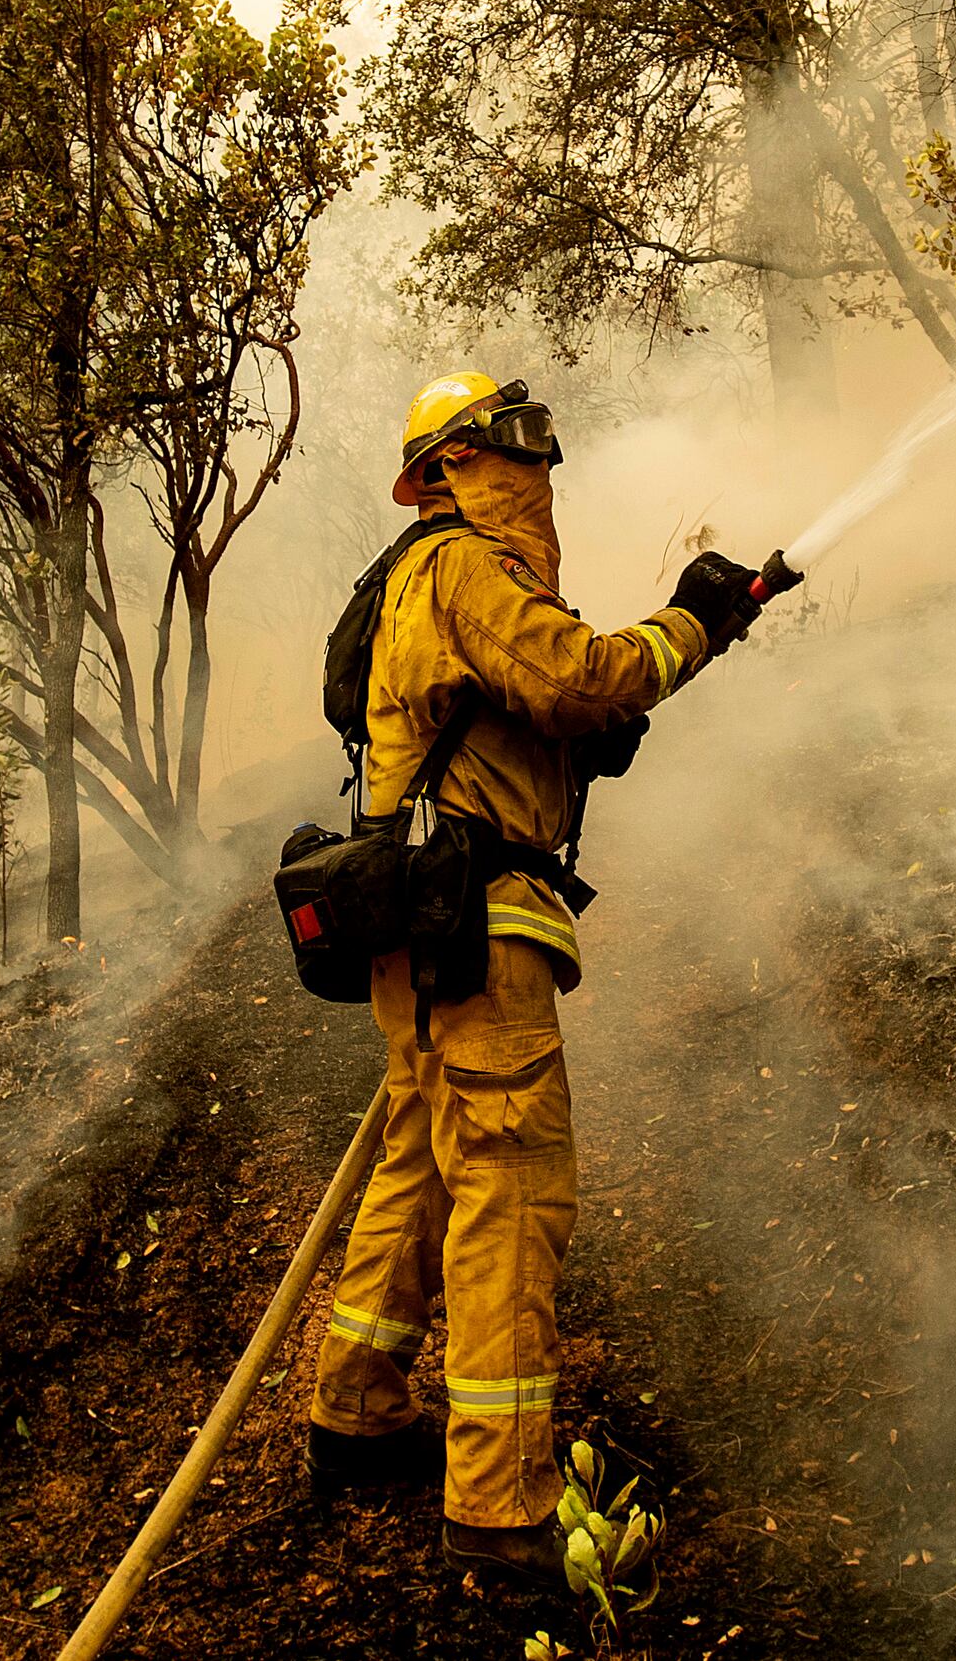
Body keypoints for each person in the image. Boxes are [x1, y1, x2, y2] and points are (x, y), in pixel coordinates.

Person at [304, 370, 788, 1582]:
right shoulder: (466, 563)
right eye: (513, 443)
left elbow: (535, 710)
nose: (539, 465)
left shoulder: (423, 575)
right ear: (451, 466)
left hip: (420, 923)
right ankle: (500, 1503)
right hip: (474, 922)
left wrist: (579, 738)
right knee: (512, 1186)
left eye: (540, 442)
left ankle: (357, 1407)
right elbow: (584, 676)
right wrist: (698, 620)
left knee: (424, 1161)